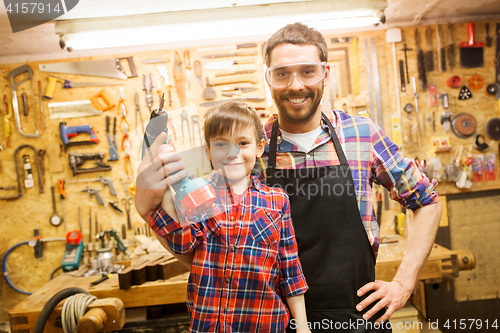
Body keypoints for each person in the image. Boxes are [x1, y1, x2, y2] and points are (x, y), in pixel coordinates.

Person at [136, 23, 443, 332]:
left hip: (358, 316)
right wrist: (147, 208)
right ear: (268, 77)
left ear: (325, 73)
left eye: (307, 71)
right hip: (276, 322)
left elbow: (427, 201)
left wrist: (403, 283)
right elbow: (209, 248)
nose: (295, 85)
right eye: (282, 73)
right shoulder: (247, 150)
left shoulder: (361, 134)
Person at [137, 101, 311, 333]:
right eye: (221, 144)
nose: (232, 153)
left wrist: (302, 327)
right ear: (208, 150)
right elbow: (182, 243)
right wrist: (169, 189)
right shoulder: (197, 194)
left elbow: (290, 268)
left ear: (259, 147)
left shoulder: (277, 201)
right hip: (210, 325)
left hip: (265, 323)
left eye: (243, 143)